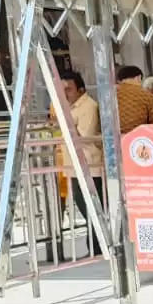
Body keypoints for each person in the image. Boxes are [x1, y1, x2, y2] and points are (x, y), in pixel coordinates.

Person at [58, 75, 105, 257]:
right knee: (84, 206)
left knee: (91, 207)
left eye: (68, 89)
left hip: (89, 163)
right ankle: (95, 245)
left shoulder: (88, 107)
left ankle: (97, 246)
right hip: (75, 166)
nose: (66, 94)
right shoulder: (72, 107)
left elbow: (85, 136)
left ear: (81, 90)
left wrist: (67, 122)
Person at [116, 64, 153, 133]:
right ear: (138, 77)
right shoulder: (148, 96)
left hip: (113, 141)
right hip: (138, 140)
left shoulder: (109, 98)